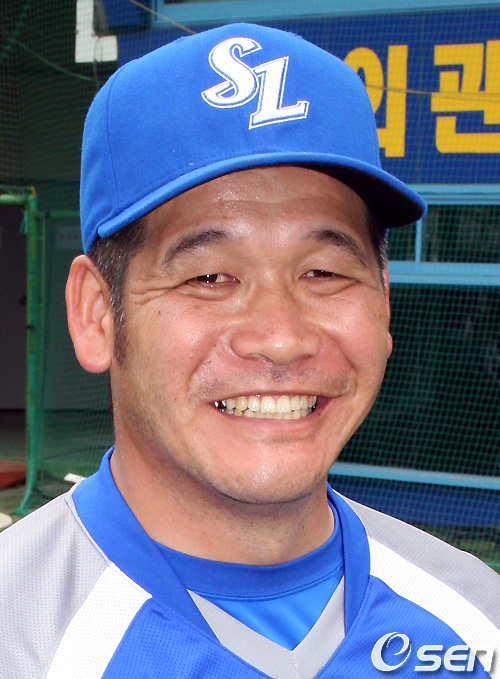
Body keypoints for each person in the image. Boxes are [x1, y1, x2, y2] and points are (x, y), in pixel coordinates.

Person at [1, 23, 499, 679]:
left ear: (383, 300)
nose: (281, 338)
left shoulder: (477, 622)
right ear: (97, 313)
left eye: (324, 272)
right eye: (210, 277)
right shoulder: (19, 635)